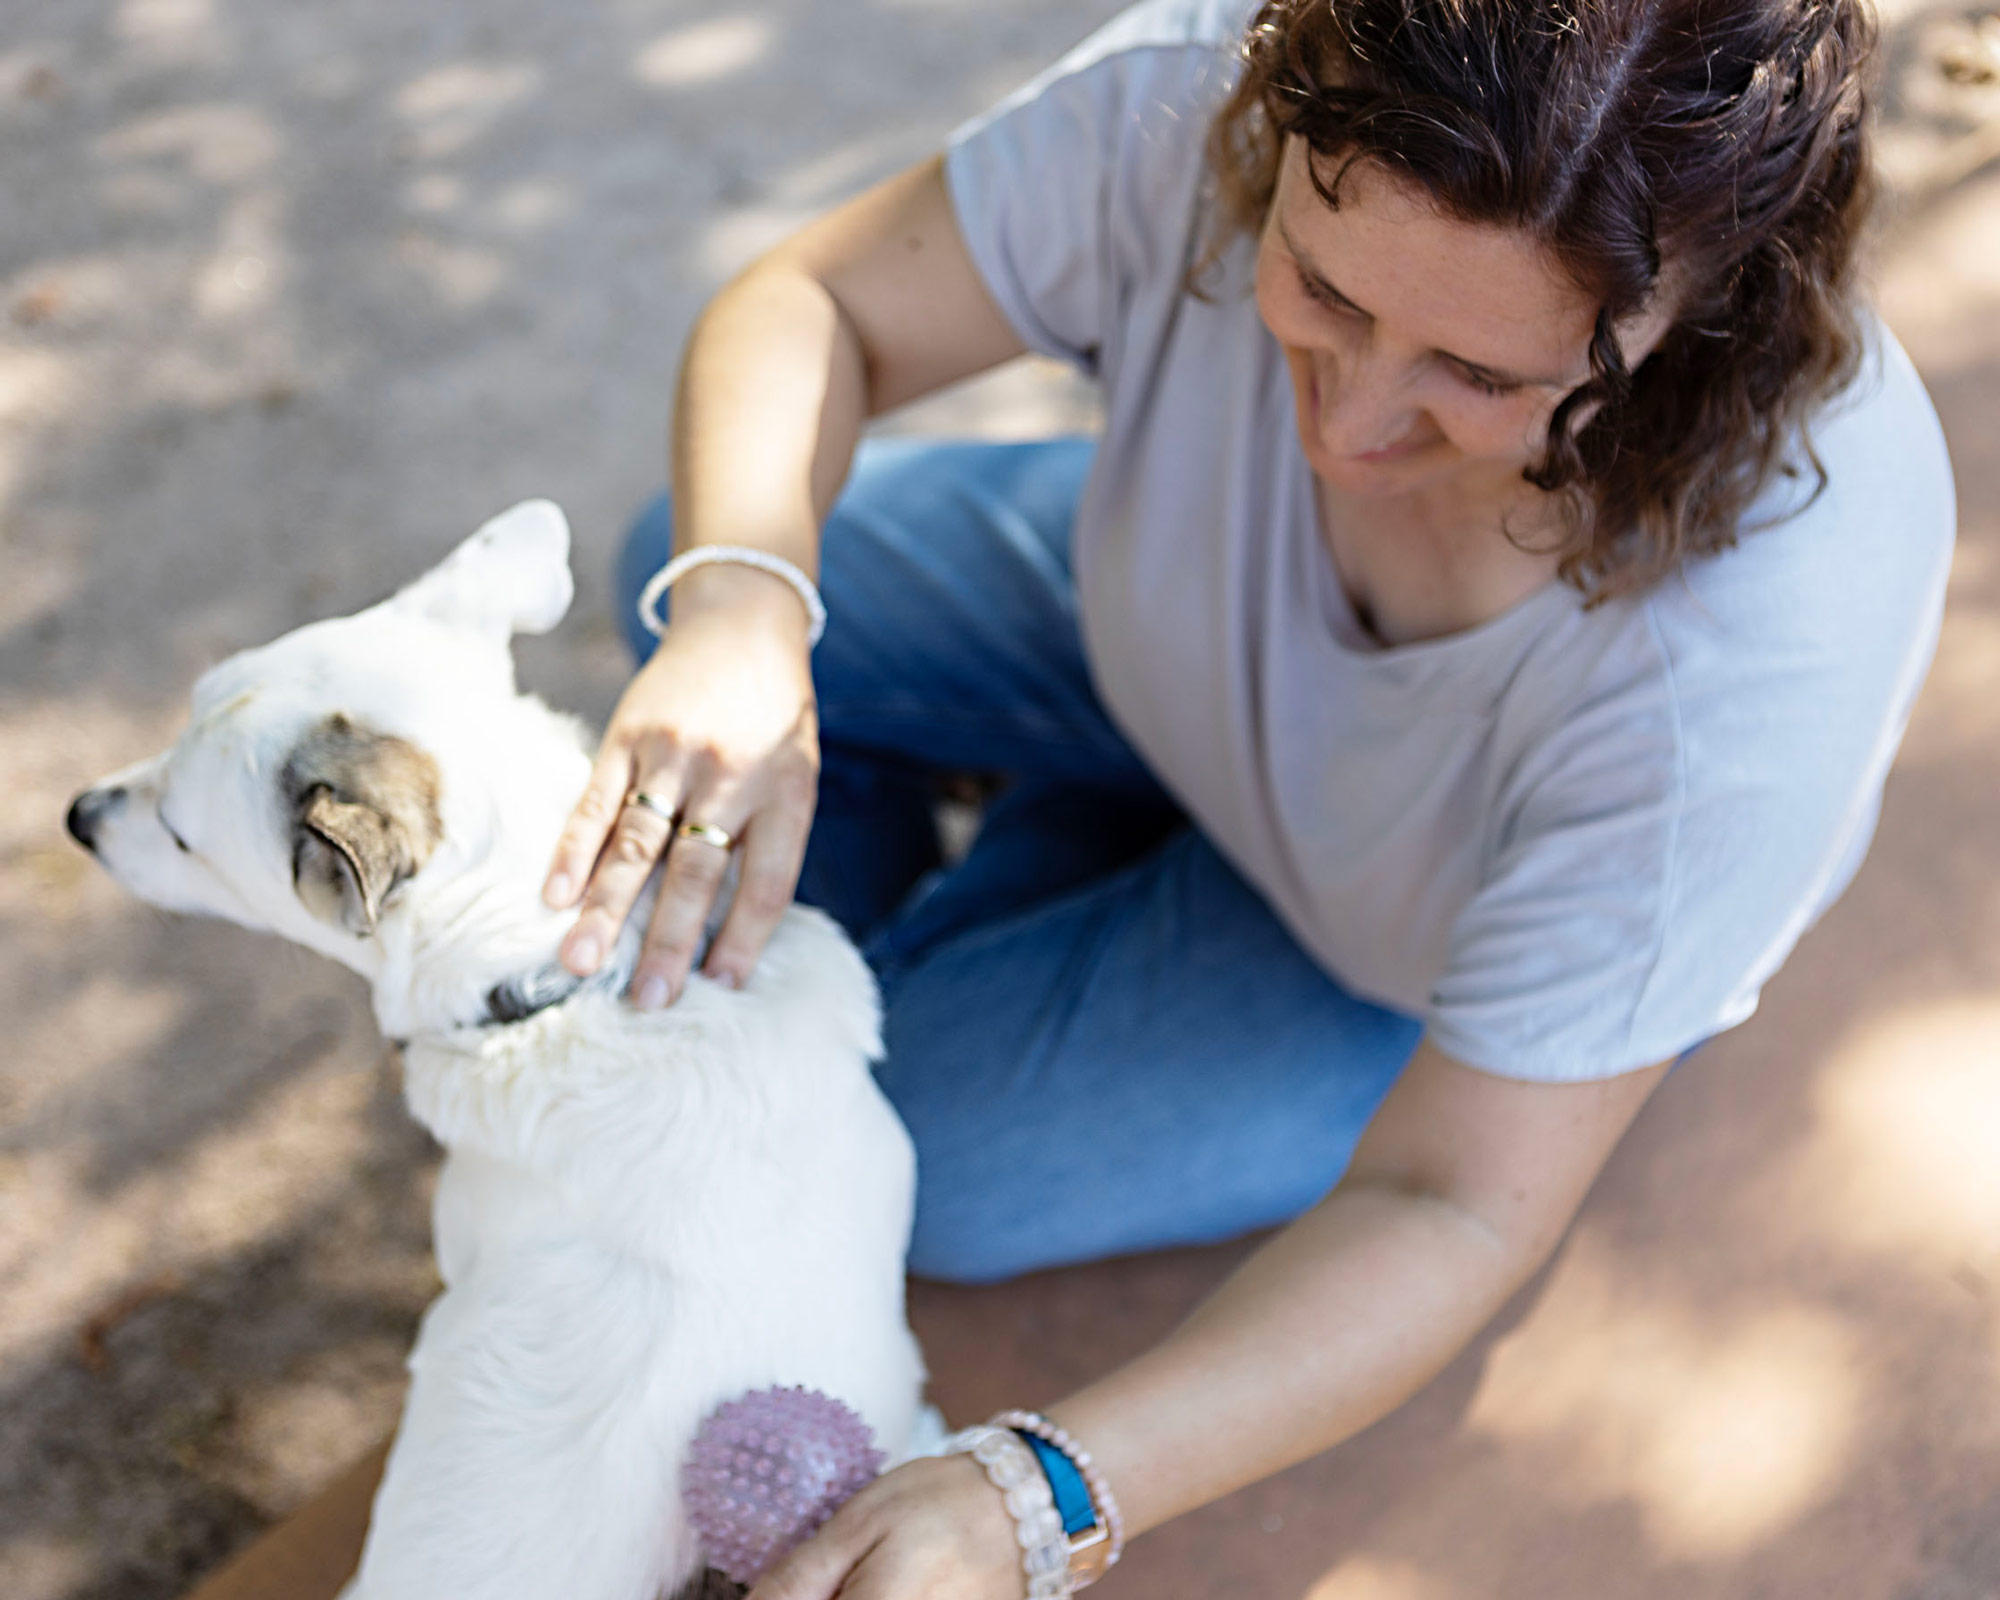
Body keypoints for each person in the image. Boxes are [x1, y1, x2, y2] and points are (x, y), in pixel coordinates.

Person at [539, 0, 1955, 1593]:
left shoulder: (1752, 660)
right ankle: (1024, 841)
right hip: (1147, 624)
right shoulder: (1197, 88)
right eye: (1324, 292)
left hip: (1382, 947)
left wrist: (1033, 1495)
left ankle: (1025, 860)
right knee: (699, 542)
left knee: (915, 1151)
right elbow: (816, 304)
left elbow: (1455, 1204)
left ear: (1710, 319)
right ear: (1278, 126)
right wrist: (741, 610)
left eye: (1481, 374)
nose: (1351, 428)